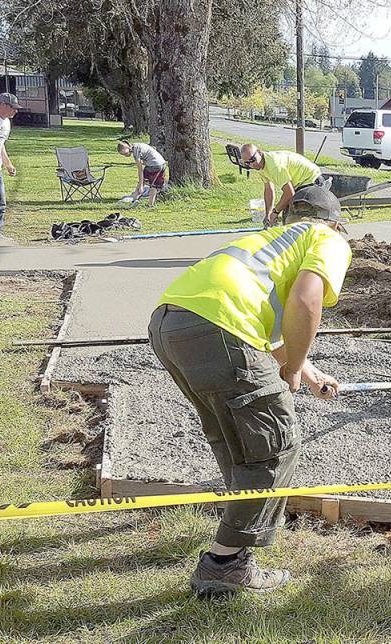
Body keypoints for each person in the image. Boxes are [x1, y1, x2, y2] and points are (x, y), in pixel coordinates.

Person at [148, 185, 352, 595]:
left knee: (236, 439)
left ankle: (235, 541)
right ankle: (224, 564)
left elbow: (264, 324)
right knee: (274, 446)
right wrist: (291, 368)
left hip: (170, 323)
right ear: (334, 223)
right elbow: (306, 301)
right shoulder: (328, 238)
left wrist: (308, 376)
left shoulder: (266, 241)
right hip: (219, 329)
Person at [239, 144, 324, 227]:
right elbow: (269, 190)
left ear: (259, 152)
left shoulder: (274, 166)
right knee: (287, 214)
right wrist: (268, 214)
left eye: (253, 160)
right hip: (300, 183)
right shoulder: (260, 166)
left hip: (311, 180)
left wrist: (275, 212)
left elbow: (289, 193)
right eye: (247, 163)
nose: (251, 165)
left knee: (295, 219)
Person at [0, 93, 20, 237]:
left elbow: (0, 145)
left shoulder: (6, 123)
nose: (15, 111)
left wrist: (8, 164)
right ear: (2, 105)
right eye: (13, 107)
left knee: (1, 203)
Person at [117, 140, 167, 207]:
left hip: (154, 165)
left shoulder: (136, 151)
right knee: (154, 185)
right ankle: (137, 201)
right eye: (123, 155)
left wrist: (141, 184)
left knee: (152, 185)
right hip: (162, 163)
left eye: (126, 153)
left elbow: (140, 169)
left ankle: (142, 203)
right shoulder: (136, 145)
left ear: (128, 147)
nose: (125, 155)